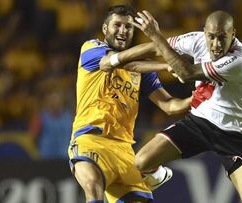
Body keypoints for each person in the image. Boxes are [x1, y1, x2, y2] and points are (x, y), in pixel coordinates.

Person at [130, 10, 242, 203]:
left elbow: (186, 73)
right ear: (204, 32)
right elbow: (157, 48)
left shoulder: (241, 59)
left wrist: (155, 34)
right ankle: (159, 176)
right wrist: (115, 59)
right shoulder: (197, 40)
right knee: (141, 162)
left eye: (222, 38)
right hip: (200, 122)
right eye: (211, 37)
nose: (216, 44)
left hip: (236, 135)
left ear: (233, 34)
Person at [67, 5, 191, 203]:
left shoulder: (144, 71)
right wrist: (165, 47)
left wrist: (197, 98)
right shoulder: (90, 48)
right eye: (117, 25)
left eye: (129, 27)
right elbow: (116, 62)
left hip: (125, 151)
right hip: (91, 140)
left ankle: (152, 171)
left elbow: (170, 106)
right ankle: (154, 173)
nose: (123, 31)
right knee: (92, 184)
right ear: (105, 28)